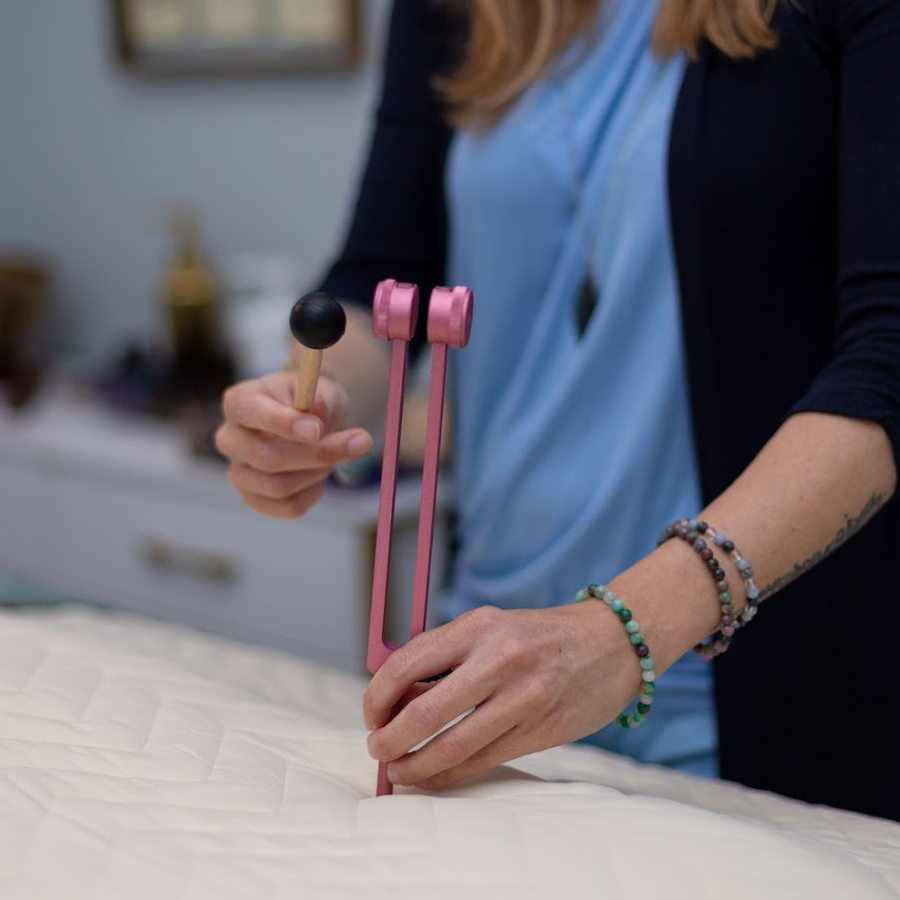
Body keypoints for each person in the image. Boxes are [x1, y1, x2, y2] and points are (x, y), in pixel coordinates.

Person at [215, 0, 900, 822]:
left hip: (739, 689)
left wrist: (619, 636)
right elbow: (376, 284)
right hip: (486, 662)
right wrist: (310, 405)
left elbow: (885, 366)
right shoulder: (452, 11)